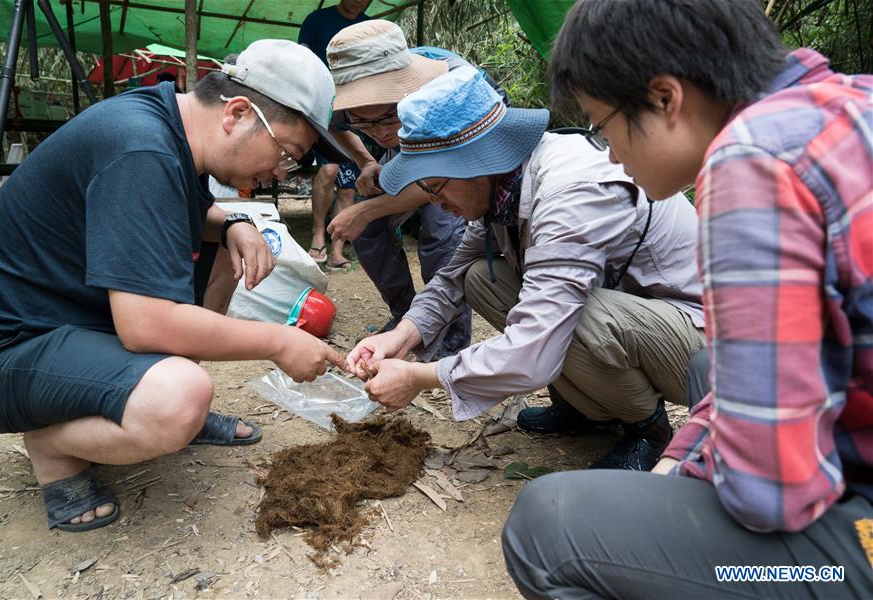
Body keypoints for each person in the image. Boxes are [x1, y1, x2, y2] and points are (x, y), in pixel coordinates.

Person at [502, 1, 873, 597]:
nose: (611, 155)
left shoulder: (753, 162)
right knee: (706, 369)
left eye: (602, 126)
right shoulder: (844, 105)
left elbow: (772, 492)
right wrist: (683, 459)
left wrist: (676, 488)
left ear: (665, 98)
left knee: (551, 526)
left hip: (862, 549)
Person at [0, 39, 349, 533]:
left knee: (222, 255)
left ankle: (166, 411)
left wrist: (234, 224)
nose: (280, 171)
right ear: (236, 112)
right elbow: (144, 324)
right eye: (287, 153)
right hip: (2, 353)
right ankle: (54, 447)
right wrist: (281, 340)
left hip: (64, 325)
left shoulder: (166, 124)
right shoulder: (140, 147)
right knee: (177, 397)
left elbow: (186, 215)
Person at [346, 66, 706, 471]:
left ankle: (647, 430)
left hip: (700, 345)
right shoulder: (502, 191)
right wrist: (400, 337)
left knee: (575, 314)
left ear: (475, 162)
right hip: (640, 320)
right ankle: (583, 407)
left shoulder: (570, 193)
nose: (433, 201)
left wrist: (421, 377)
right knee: (481, 277)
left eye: (436, 185)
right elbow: (451, 277)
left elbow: (535, 344)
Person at [324, 19, 507, 354]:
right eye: (362, 120)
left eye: (386, 117)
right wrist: (367, 161)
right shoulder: (350, 108)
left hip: (458, 163)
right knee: (366, 230)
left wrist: (366, 208)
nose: (376, 132)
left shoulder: (454, 85)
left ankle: (448, 345)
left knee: (442, 235)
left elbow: (446, 182)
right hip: (407, 154)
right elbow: (336, 125)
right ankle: (408, 317)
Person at [298, 0, 372, 271]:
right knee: (329, 169)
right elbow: (303, 63)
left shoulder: (368, 26)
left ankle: (337, 249)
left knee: (350, 184)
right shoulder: (316, 20)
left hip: (357, 110)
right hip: (320, 111)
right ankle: (318, 235)